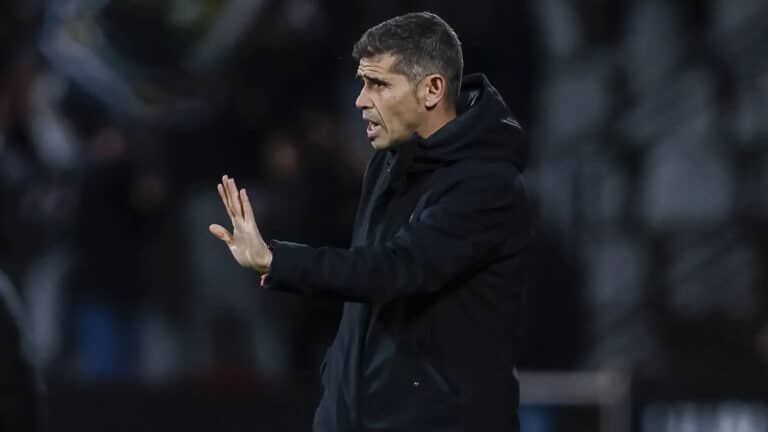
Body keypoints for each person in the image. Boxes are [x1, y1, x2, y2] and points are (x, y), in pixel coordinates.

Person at [210, 12, 531, 432]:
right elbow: (363, 293)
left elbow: (394, 270)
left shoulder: (486, 185)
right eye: (362, 83)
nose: (361, 99)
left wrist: (276, 260)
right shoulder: (388, 163)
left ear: (432, 89)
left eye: (378, 84)